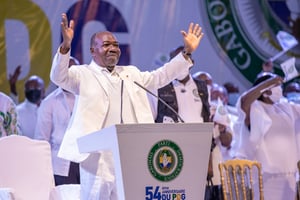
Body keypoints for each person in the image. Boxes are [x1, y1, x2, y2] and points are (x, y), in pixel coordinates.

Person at [51, 13, 204, 200]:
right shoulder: (82, 74)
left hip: (130, 155)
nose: (113, 48)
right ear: (93, 51)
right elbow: (58, 77)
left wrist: (186, 53)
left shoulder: (131, 73)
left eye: (115, 45)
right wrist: (66, 46)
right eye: (106, 45)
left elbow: (161, 76)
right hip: (97, 159)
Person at [234, 72, 300, 200]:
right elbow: (244, 102)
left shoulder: (286, 107)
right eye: (276, 86)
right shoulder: (255, 108)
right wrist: (268, 83)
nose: (280, 89)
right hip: (265, 178)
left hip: (289, 176)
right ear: (265, 91)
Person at [34, 58, 80, 186]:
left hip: (88, 160)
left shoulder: (88, 97)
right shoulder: (50, 102)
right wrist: (43, 170)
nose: (69, 74)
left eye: (73, 70)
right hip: (62, 164)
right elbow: (41, 140)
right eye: (65, 70)